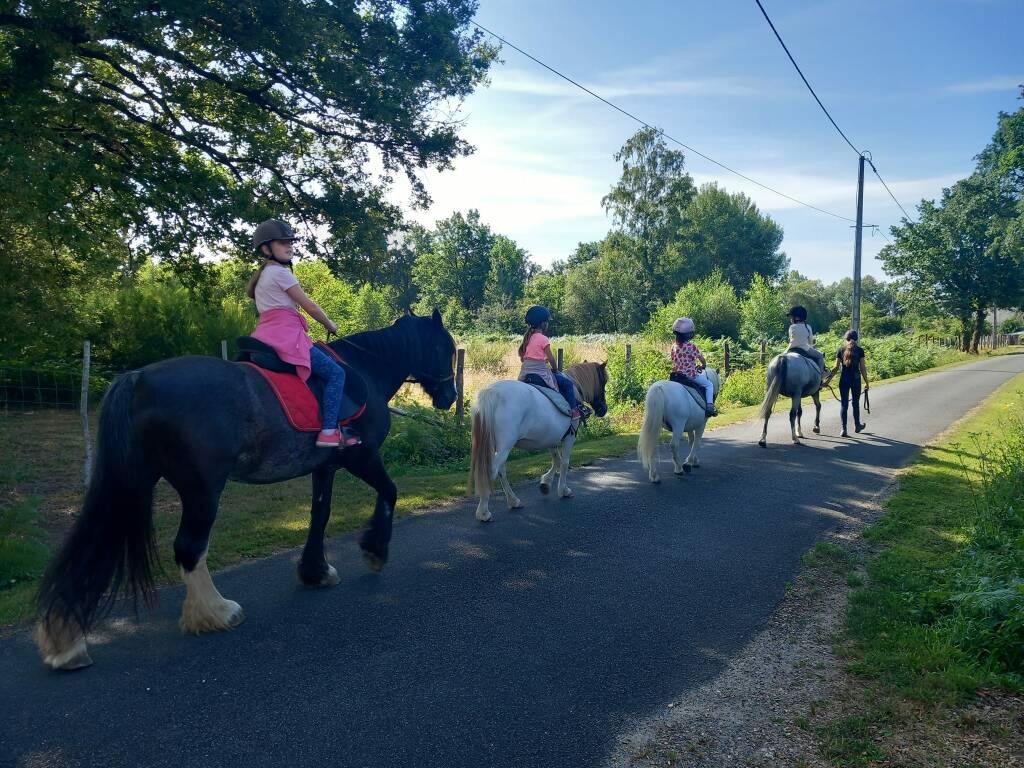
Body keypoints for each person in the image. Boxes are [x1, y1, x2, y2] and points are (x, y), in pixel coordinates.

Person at [246, 219, 360, 449]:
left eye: (290, 243)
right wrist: (330, 325)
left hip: (265, 336)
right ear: (266, 249)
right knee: (336, 374)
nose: (289, 247)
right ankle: (329, 431)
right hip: (287, 338)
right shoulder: (280, 273)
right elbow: (310, 306)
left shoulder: (261, 278)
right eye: (282, 243)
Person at [517, 305, 583, 419]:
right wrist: (555, 369)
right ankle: (574, 410)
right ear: (542, 323)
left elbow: (527, 358)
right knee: (567, 384)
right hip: (540, 373)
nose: (547, 324)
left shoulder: (528, 338)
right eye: (547, 321)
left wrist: (542, 360)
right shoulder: (543, 339)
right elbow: (551, 358)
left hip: (525, 373)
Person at [668, 317, 717, 417]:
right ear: (688, 334)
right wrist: (703, 365)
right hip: (690, 375)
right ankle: (710, 406)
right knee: (709, 385)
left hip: (676, 375)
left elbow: (673, 359)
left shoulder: (673, 346)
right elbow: (701, 359)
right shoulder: (691, 346)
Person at [825, 329, 869, 437]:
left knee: (844, 404)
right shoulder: (860, 350)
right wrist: (867, 382)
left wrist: (827, 381)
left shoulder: (841, 350)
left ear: (846, 339)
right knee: (855, 403)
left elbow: (835, 368)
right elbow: (862, 368)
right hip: (856, 380)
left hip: (844, 379)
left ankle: (843, 429)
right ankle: (857, 425)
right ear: (856, 339)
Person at [786, 305, 826, 374]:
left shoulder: (791, 327)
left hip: (790, 348)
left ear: (796, 317)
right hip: (805, 348)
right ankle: (821, 374)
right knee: (820, 356)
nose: (791, 319)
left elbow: (791, 339)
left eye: (792, 317)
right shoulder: (808, 327)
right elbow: (810, 342)